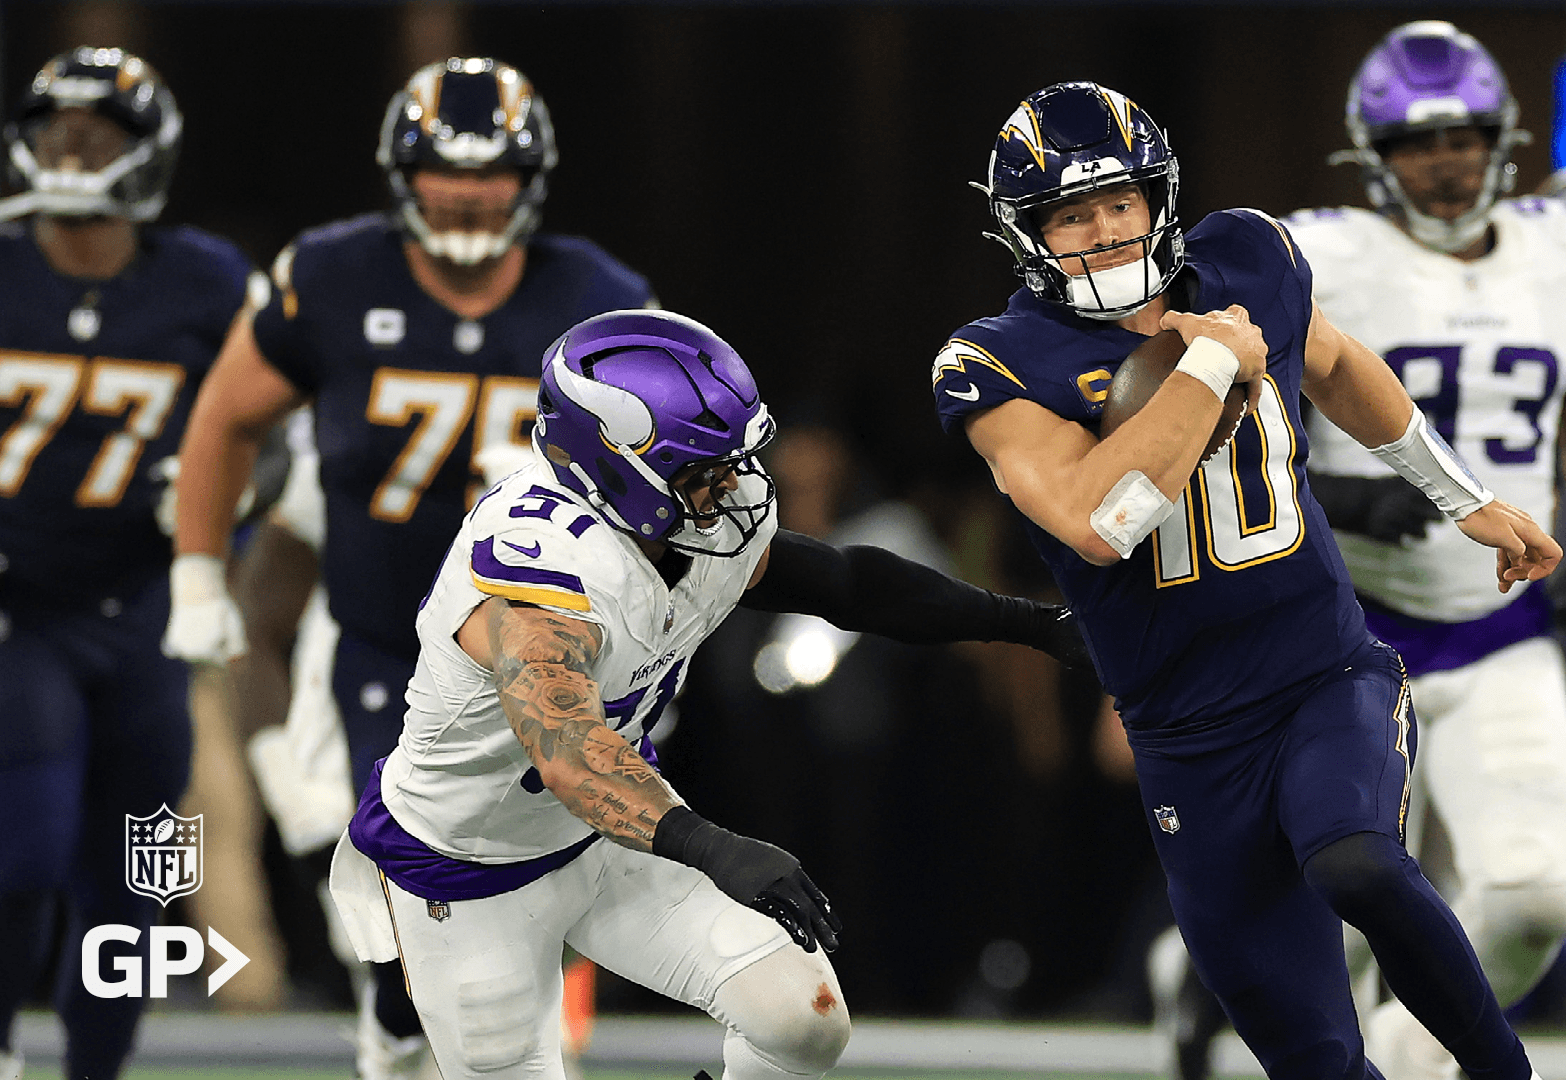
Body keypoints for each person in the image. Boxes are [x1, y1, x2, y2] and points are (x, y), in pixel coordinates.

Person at [934, 80, 1560, 1080]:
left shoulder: (1246, 258)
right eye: (1071, 214)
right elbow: (1098, 524)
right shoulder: (998, 360)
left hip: (1323, 676)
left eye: (1119, 202)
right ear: (1027, 232)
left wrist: (1462, 497)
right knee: (1314, 1057)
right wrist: (1204, 369)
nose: (1104, 232)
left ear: (1158, 198)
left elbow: (1336, 362)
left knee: (1356, 860)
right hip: (1187, 736)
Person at [326, 307, 1087, 1080]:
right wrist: (716, 848)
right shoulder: (535, 573)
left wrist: (1027, 623)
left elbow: (843, 584)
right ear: (614, 468)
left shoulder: (684, 523)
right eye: (701, 471)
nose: (730, 487)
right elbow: (569, 755)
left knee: (803, 1020)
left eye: (729, 460)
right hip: (465, 869)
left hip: (605, 839)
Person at [165, 57, 659, 1080]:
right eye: (445, 170)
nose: (467, 194)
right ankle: (398, 1035)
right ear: (403, 176)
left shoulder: (599, 298)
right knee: (403, 924)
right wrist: (197, 574)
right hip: (389, 650)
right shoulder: (335, 276)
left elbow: (673, 469)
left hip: (543, 655)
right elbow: (224, 416)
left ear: (530, 180)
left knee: (521, 915)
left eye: (490, 172)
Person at [1286, 23, 1566, 1079]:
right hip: (1346, 638)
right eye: (1417, 142)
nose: (1445, 161)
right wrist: (1336, 493)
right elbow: (1225, 426)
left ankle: (1397, 1055)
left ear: (1501, 139)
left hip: (1502, 625)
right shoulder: (1318, 256)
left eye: (1463, 136)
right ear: (1372, 154)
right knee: (1332, 925)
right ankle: (1203, 988)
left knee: (1531, 898)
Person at [0, 48, 257, 1080]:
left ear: (146, 155)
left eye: (96, 135)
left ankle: (97, 1072)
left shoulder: (206, 281)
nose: (70, 152)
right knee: (26, 844)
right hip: (19, 608)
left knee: (141, 878)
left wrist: (218, 507)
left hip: (147, 610)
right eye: (57, 131)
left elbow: (269, 433)